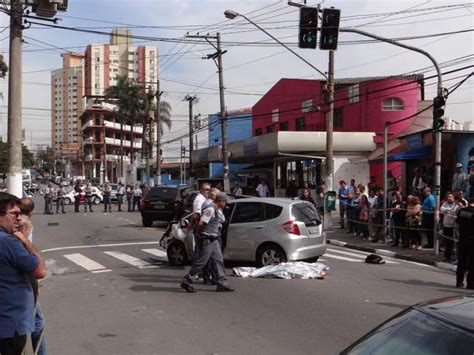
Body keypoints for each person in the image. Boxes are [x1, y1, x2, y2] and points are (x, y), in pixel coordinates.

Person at [0, 192, 47, 354]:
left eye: (20, 213)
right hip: (10, 324)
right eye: (14, 213)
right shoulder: (8, 242)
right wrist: (25, 241)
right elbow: (40, 270)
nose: (19, 218)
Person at [180, 193, 234, 293]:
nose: (226, 204)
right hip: (208, 240)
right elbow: (201, 223)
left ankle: (222, 283)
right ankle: (187, 280)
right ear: (220, 201)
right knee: (201, 262)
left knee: (219, 260)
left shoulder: (217, 210)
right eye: (225, 202)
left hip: (214, 240)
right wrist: (201, 234)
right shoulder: (211, 209)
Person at [19, 197, 47, 355]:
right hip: (23, 283)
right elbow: (37, 267)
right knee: (37, 322)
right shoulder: (24, 226)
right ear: (30, 213)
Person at [455, 197, 474, 289]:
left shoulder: (462, 211)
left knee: (461, 261)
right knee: (472, 263)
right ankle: (470, 284)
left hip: (462, 238)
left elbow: (457, 221)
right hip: (472, 240)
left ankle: (459, 282)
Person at [440, 192, 460, 262]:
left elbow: (456, 213)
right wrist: (448, 210)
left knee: (454, 243)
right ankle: (447, 256)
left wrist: (448, 211)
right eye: (448, 197)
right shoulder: (445, 203)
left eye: (450, 197)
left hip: (453, 226)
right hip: (446, 225)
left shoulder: (456, 205)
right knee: (447, 242)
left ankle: (454, 257)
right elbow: (441, 209)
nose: (448, 198)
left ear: (453, 198)